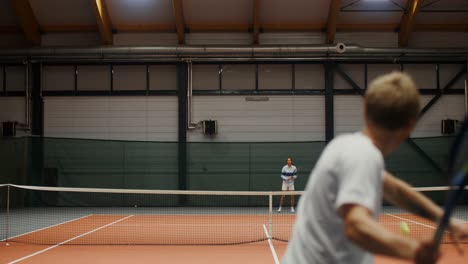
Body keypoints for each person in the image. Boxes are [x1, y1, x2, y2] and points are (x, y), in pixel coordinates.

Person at [281, 72, 468, 264]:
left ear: (365, 111)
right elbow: (356, 226)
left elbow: (395, 190)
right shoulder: (364, 155)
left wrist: (447, 222)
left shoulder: (345, 145)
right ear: (409, 126)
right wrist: (413, 251)